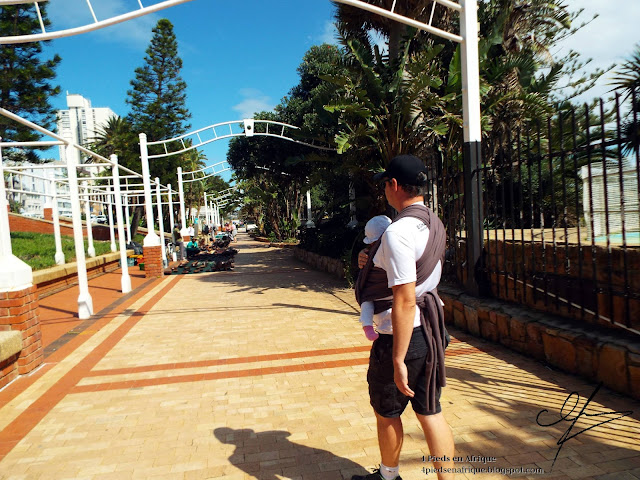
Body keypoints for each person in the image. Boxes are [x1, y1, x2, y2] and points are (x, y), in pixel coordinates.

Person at [353, 155, 454, 480]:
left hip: (401, 336)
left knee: (386, 411)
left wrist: (397, 358)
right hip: (431, 332)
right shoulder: (432, 222)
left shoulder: (398, 231)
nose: (384, 189)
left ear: (394, 185)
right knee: (431, 413)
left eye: (385, 183)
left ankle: (389, 475)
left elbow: (405, 298)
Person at [357, 215, 392, 342]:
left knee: (367, 302)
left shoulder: (393, 250)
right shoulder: (369, 253)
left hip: (392, 309)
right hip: (377, 297)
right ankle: (367, 326)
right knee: (367, 300)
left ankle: (367, 326)